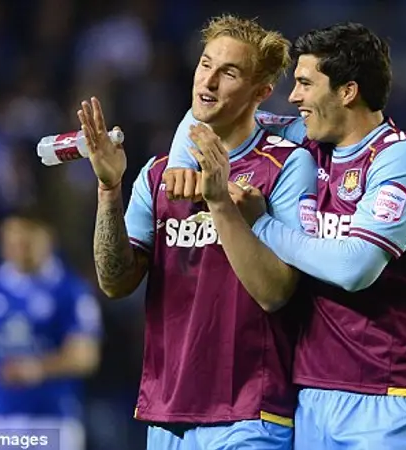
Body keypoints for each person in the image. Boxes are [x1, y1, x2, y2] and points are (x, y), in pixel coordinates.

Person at [165, 21, 406, 449]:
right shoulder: (306, 140)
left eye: (304, 83)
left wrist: (261, 224)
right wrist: (179, 161)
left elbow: (355, 267)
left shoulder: (403, 158)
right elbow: (210, 108)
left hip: (389, 389)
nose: (293, 97)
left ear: (347, 91)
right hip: (311, 390)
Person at [80, 15, 317, 450]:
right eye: (205, 64)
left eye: (229, 72)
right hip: (167, 414)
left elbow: (277, 291)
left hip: (251, 412)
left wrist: (221, 203)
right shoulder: (158, 174)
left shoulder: (286, 166)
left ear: (261, 93)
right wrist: (109, 188)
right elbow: (115, 281)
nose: (208, 81)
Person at [0, 214, 101, 450]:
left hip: (52, 419)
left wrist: (36, 368)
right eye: (11, 240)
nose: (18, 248)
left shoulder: (71, 290)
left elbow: (85, 356)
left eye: (25, 240)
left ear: (47, 238)